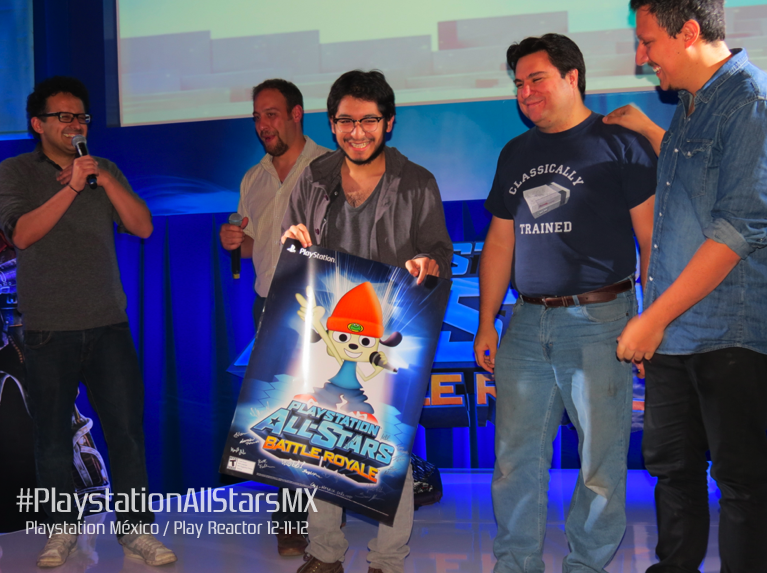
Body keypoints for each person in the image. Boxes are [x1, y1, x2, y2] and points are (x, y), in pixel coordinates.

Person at [473, 34, 657, 573]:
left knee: (600, 462)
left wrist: (651, 318)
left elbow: (651, 239)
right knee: (514, 459)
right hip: (526, 321)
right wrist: (486, 321)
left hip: (601, 321)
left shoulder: (619, 142)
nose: (525, 93)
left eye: (537, 79)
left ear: (572, 76)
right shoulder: (515, 152)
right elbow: (500, 241)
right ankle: (516, 563)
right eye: (518, 84)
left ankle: (587, 565)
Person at [606, 2, 767, 571]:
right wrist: (652, 131)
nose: (641, 55)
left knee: (744, 484)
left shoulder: (750, 102)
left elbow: (736, 229)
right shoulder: (691, 103)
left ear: (690, 32)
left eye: (648, 41)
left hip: (729, 334)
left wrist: (650, 318)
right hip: (674, 334)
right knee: (673, 471)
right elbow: (694, 181)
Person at [281, 69, 452, 573]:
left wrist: (429, 263)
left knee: (387, 443)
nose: (357, 132)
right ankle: (325, 551)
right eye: (346, 121)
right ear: (332, 123)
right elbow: (294, 249)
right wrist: (294, 244)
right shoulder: (314, 179)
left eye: (369, 121)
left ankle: (388, 560)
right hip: (327, 333)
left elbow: (439, 252)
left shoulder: (416, 182)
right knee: (320, 439)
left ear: (388, 122)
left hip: (391, 335)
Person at [0, 76, 175, 568]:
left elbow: (142, 226)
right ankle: (61, 530)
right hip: (47, 328)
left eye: (81, 116)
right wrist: (72, 186)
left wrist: (104, 180)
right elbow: (22, 234)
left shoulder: (104, 170)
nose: (76, 124)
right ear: (38, 124)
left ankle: (136, 530)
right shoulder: (15, 172)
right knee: (53, 438)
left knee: (126, 433)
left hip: (107, 325)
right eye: (64, 116)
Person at [219, 78, 329, 557]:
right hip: (269, 303)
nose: (263, 125)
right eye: (257, 117)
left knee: (324, 413)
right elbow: (254, 246)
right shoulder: (253, 177)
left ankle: (330, 516)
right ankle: (292, 520)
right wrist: (233, 242)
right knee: (283, 415)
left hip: (322, 305)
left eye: (272, 115)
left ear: (296, 114)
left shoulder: (329, 167)